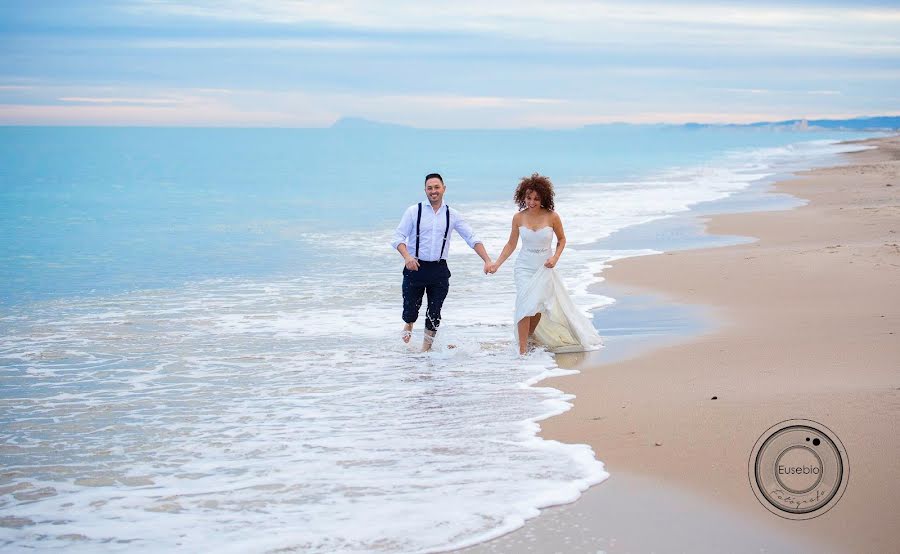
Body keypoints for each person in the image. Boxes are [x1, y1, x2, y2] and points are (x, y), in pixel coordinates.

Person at [489, 173, 603, 355]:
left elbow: (562, 239)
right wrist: (497, 264)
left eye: (536, 199)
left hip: (544, 267)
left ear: (543, 198)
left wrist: (555, 258)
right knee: (525, 304)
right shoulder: (518, 218)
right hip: (524, 267)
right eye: (528, 198)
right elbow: (511, 244)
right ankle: (522, 350)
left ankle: (530, 338)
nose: (532, 202)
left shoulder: (552, 217)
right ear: (522, 197)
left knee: (537, 307)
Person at [391, 173, 493, 351]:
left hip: (439, 268)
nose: (433, 191)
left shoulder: (452, 214)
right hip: (415, 266)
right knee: (411, 308)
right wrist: (407, 257)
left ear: (444, 189)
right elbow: (398, 238)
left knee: (434, 311)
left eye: (436, 187)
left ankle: (425, 349)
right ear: (425, 190)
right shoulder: (414, 211)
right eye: (429, 188)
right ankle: (409, 322)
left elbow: (471, 237)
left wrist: (487, 260)